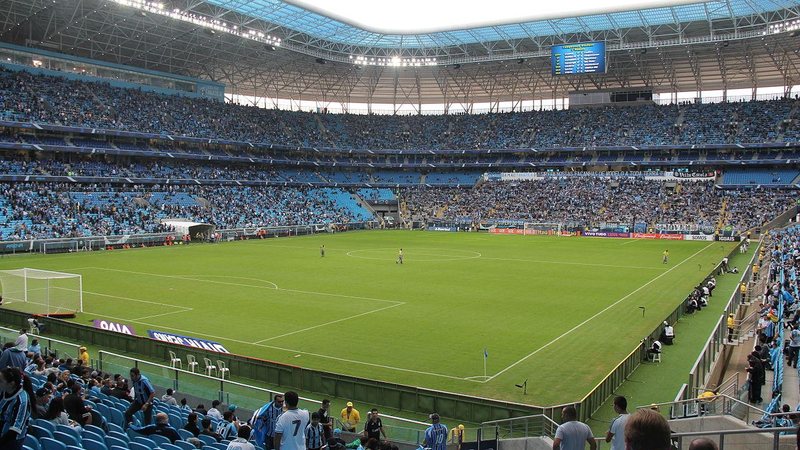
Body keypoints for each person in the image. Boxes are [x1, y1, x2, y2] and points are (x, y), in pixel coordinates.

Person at [0, 367, 31, 450]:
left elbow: (15, 430)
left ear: (11, 383)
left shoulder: (21, 400)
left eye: (1, 381)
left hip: (10, 442)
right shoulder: (3, 391)